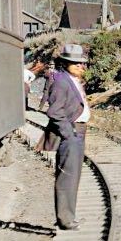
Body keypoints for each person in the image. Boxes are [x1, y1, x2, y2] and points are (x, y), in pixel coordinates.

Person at [41, 44, 91, 231]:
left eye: (82, 63)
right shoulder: (62, 81)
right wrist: (69, 133)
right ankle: (66, 220)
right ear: (65, 63)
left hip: (78, 132)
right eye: (75, 63)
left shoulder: (71, 79)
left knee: (73, 176)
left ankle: (69, 216)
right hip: (71, 133)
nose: (81, 66)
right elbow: (54, 111)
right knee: (67, 178)